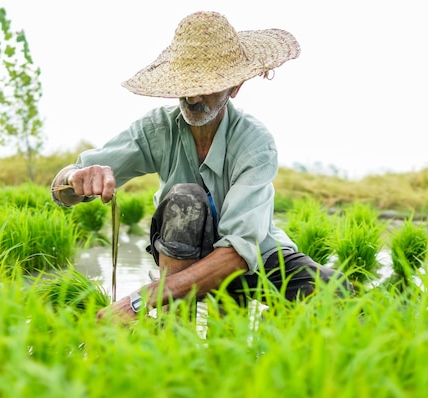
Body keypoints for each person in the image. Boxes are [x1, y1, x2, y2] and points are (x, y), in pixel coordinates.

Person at [51, 11, 351, 324]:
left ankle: (264, 341)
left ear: (235, 87)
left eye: (208, 85)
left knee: (336, 291)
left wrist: (141, 299)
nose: (193, 96)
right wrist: (76, 178)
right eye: (187, 83)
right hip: (180, 249)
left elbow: (238, 251)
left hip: (249, 256)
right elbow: (61, 191)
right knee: (185, 199)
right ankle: (174, 334)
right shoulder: (157, 129)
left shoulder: (254, 142)